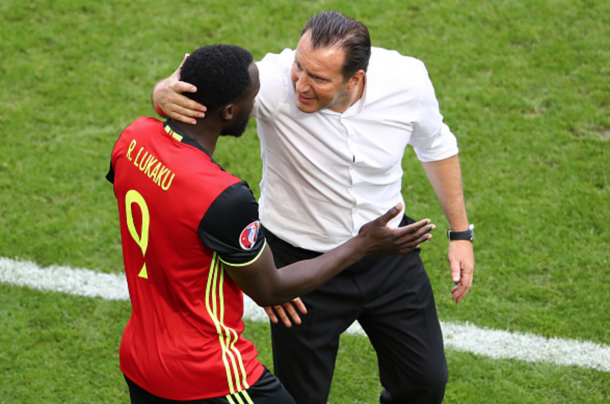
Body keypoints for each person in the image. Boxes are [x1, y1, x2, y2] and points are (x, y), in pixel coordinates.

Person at [152, 10, 475, 404]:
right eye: (298, 66)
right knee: (302, 397)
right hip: (299, 269)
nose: (300, 85)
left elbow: (436, 146)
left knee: (425, 383)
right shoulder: (269, 82)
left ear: (355, 79)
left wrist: (460, 234)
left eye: (318, 78)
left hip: (389, 254)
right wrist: (161, 91)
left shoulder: (408, 80)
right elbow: (199, 80)